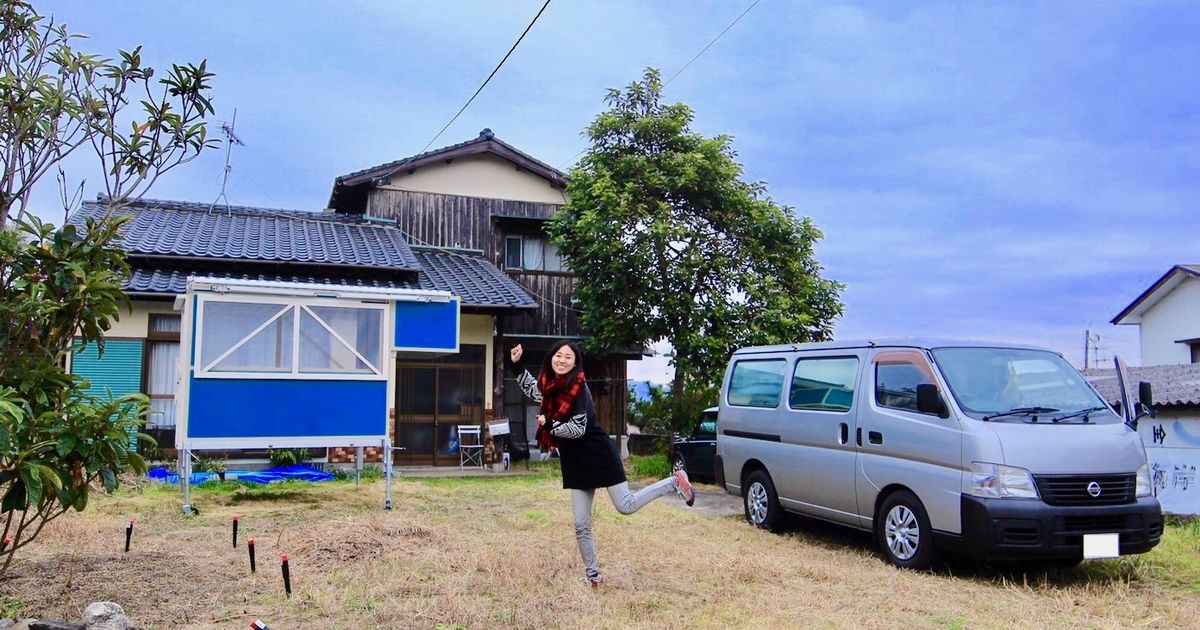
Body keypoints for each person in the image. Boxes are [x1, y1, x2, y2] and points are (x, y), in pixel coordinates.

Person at [508, 340, 695, 587]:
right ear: (551, 358)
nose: (562, 360)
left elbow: (577, 428)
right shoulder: (550, 386)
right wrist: (517, 365)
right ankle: (593, 576)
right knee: (581, 523)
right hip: (575, 461)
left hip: (599, 454)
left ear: (575, 363)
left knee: (625, 505)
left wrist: (551, 424)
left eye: (568, 357)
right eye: (558, 355)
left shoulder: (579, 388)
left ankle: (674, 481)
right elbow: (533, 390)